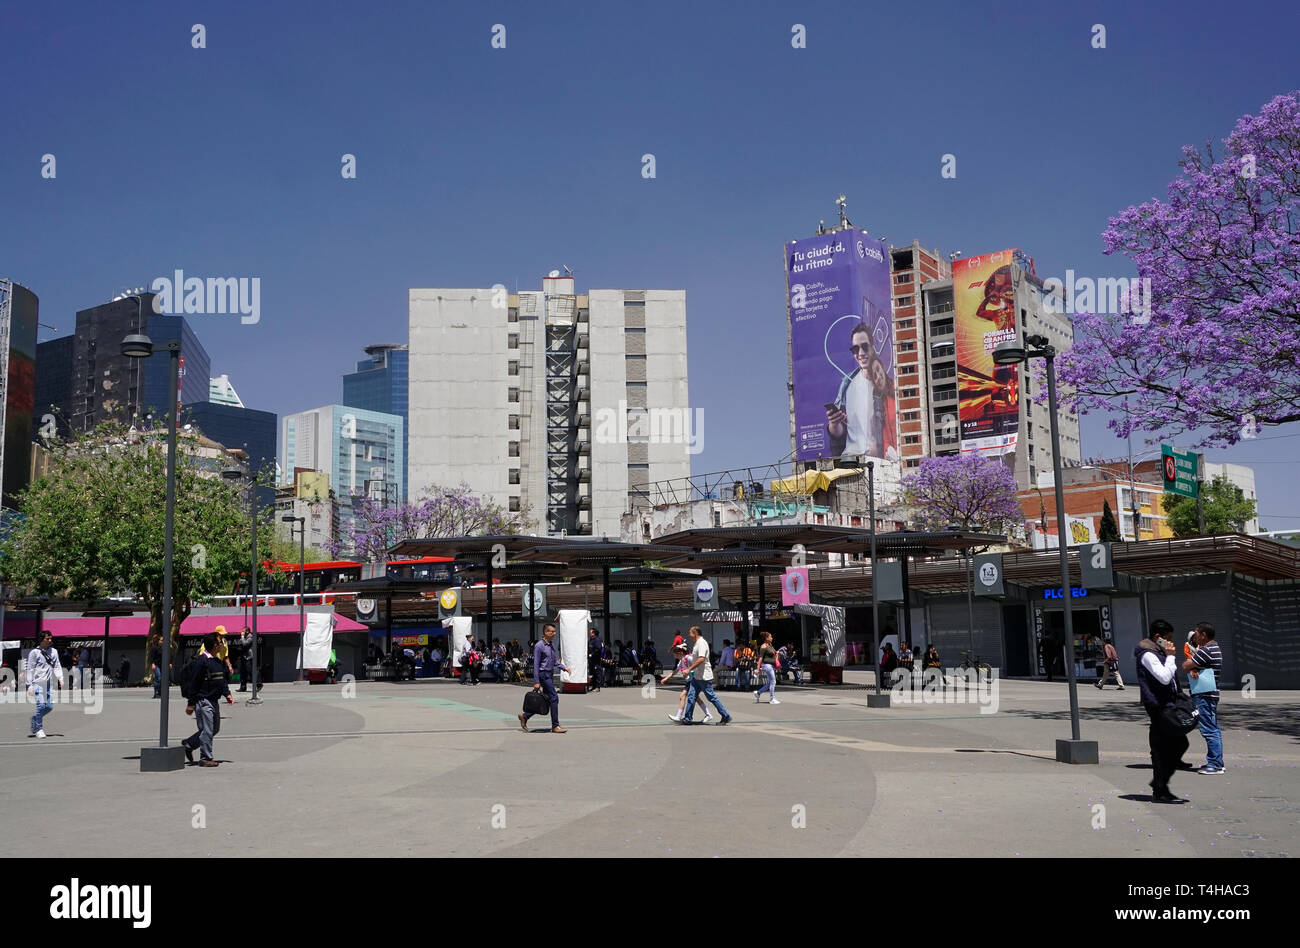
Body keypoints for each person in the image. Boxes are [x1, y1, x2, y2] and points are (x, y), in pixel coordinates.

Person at [1136, 619, 1189, 804]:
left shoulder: (1158, 651)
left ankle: (1159, 785)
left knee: (1175, 744)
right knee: (1164, 747)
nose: (1171, 642)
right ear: (1158, 637)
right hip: (1158, 706)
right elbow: (1164, 678)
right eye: (1169, 638)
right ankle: (1160, 788)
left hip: (1167, 704)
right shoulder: (1147, 654)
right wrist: (1171, 656)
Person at [826, 321, 879, 458]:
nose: (860, 354)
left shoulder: (884, 383)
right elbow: (838, 433)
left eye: (865, 347)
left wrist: (878, 450)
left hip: (878, 462)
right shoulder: (847, 383)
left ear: (874, 347)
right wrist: (834, 422)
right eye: (855, 349)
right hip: (849, 460)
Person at [181, 633, 234, 767]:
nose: (221, 645)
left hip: (214, 700)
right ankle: (205, 758)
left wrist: (227, 694)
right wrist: (191, 704)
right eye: (219, 643)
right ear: (214, 645)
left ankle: (189, 744)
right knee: (207, 730)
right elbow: (194, 683)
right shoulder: (201, 661)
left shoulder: (217, 661)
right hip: (203, 700)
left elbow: (221, 680)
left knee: (214, 729)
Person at [1182, 621, 1224, 775]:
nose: (1195, 637)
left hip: (1204, 694)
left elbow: (1186, 666)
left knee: (1208, 729)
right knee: (1213, 728)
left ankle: (1214, 764)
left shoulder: (1207, 650)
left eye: (1197, 633)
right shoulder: (1213, 648)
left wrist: (1190, 665)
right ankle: (1217, 762)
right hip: (1210, 693)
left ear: (1203, 635)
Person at [519, 622, 570, 733]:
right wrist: (536, 681)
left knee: (547, 699)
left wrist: (564, 668)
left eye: (554, 631)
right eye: (552, 631)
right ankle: (555, 726)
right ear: (546, 632)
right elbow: (536, 664)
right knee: (554, 698)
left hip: (549, 674)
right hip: (543, 675)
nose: (554, 633)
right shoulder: (539, 646)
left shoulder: (550, 645)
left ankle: (525, 716)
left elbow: (553, 661)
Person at [678, 626, 731, 725]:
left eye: (690, 633)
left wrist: (689, 669)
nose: (689, 635)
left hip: (703, 676)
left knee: (711, 697)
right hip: (697, 676)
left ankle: (725, 715)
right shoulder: (697, 644)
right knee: (691, 696)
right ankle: (687, 718)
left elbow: (701, 658)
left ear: (695, 633)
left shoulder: (701, 643)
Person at [24, 631, 64, 739]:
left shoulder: (54, 652)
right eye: (47, 639)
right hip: (37, 683)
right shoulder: (34, 653)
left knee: (49, 707)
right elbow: (30, 669)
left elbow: (57, 665)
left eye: (51, 638)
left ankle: (35, 718)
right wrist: (29, 685)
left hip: (49, 683)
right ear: (42, 639)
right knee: (41, 705)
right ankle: (39, 729)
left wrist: (60, 678)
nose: (50, 640)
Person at [664, 642, 709, 723]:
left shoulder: (688, 658)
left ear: (680, 653)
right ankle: (708, 714)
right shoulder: (681, 661)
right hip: (690, 681)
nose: (675, 656)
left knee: (683, 696)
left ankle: (678, 716)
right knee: (696, 699)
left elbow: (698, 665)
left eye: (675, 654)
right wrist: (666, 678)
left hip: (694, 680)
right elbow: (675, 671)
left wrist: (690, 672)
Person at [867, 352, 899, 461]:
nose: (878, 377)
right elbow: (882, 436)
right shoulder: (878, 403)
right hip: (894, 458)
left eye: (878, 369)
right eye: (874, 376)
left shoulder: (897, 388)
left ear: (882, 367)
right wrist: (887, 449)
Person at [754, 631, 780, 705]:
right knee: (773, 681)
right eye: (770, 637)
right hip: (767, 666)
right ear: (766, 638)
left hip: (771, 665)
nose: (772, 638)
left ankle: (758, 693)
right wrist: (758, 668)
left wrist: (777, 654)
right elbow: (760, 658)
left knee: (770, 683)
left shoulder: (770, 645)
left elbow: (775, 653)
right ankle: (772, 699)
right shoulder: (763, 646)